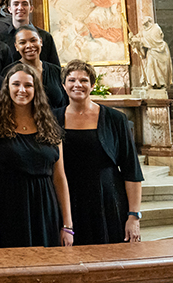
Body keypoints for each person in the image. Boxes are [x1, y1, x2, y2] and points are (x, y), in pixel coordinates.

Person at [0, 64, 74, 248]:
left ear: (36, 90)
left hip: (45, 208)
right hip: (9, 207)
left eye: (28, 85)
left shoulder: (51, 128)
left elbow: (60, 177)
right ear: (7, 88)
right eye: (16, 84)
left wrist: (67, 225)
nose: (22, 90)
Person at [54, 60, 143, 245]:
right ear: (64, 85)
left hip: (107, 199)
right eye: (71, 80)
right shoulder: (52, 119)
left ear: (93, 85)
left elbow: (131, 169)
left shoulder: (115, 119)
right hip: (68, 200)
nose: (77, 85)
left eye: (84, 80)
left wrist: (133, 216)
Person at [2, 25, 68, 109]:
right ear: (16, 47)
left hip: (56, 121)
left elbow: (66, 103)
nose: (29, 45)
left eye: (33, 40)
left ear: (41, 42)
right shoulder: (9, 72)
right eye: (22, 42)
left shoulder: (56, 71)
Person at [0, 0, 60, 66]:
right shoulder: (0, 38)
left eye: (25, 4)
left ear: (31, 8)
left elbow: (55, 69)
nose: (20, 8)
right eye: (16, 4)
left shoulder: (45, 36)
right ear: (9, 9)